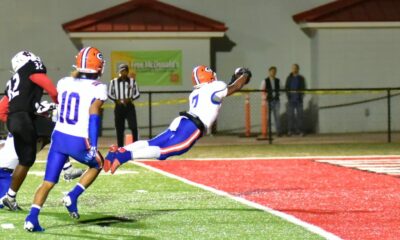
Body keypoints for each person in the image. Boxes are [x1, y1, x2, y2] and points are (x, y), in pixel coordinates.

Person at [103, 65, 252, 174]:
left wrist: (236, 77)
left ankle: (119, 151)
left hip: (182, 121)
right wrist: (245, 74)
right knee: (166, 151)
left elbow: (229, 87)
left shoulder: (197, 91)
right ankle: (125, 156)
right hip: (193, 126)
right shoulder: (215, 86)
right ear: (209, 76)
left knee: (152, 142)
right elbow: (235, 86)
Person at [24, 46, 107, 232]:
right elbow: (94, 114)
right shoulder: (99, 88)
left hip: (59, 137)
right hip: (78, 139)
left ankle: (32, 218)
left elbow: (61, 106)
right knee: (98, 163)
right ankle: (73, 196)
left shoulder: (63, 82)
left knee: (48, 182)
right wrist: (93, 144)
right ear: (98, 67)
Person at [0, 51, 58, 211]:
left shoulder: (14, 84)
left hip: (16, 123)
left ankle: (9, 197)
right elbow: (51, 89)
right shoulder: (31, 71)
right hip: (5, 171)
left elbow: (1, 110)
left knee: (29, 157)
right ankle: (67, 168)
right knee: (58, 132)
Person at [0, 101, 84, 209]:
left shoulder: (31, 126)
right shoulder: (37, 124)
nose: (49, 116)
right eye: (48, 113)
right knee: (2, 202)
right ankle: (68, 169)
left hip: (8, 171)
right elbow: (61, 138)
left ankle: (68, 169)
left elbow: (57, 144)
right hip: (5, 172)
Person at [108, 64, 140, 146]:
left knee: (133, 127)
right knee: (119, 128)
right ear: (119, 72)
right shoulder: (113, 82)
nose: (123, 73)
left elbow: (137, 94)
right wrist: (116, 100)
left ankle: (135, 146)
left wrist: (130, 99)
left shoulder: (132, 81)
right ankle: (120, 147)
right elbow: (109, 94)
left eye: (125, 71)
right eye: (121, 71)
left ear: (127, 72)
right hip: (119, 107)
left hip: (129, 106)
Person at [285, 64, 306, 136]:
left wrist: (301, 96)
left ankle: (300, 131)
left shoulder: (301, 78)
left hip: (299, 100)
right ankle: (290, 131)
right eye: (293, 68)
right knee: (290, 116)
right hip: (291, 101)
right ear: (291, 69)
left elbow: (303, 88)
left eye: (295, 68)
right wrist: (288, 97)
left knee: (300, 116)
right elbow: (286, 88)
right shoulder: (289, 78)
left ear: (298, 69)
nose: (294, 69)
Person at [261, 66, 281, 136]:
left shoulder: (278, 81)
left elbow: (281, 89)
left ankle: (278, 132)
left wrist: (278, 95)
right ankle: (266, 132)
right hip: (268, 101)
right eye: (272, 71)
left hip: (276, 101)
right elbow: (262, 90)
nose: (273, 73)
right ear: (269, 72)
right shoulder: (265, 81)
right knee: (267, 117)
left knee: (277, 117)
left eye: (274, 71)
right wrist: (264, 99)